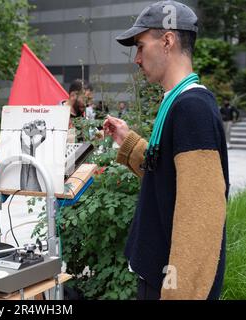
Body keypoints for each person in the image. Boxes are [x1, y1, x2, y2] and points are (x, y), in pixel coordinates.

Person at [103, 1, 228, 300]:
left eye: (141, 46)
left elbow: (200, 221)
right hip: (155, 274)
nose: (136, 58)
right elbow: (167, 177)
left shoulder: (192, 108)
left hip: (169, 287)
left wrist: (178, 293)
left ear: (168, 41)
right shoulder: (178, 101)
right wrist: (129, 141)